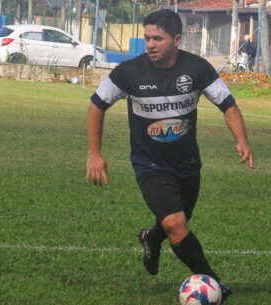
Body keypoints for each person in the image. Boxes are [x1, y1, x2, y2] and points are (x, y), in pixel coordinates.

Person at [85, 9, 254, 302]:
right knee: (176, 223)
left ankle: (151, 238)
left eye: (157, 39)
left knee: (176, 221)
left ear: (177, 39)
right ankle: (214, 283)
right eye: (147, 38)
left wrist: (241, 140)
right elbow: (96, 106)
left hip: (187, 163)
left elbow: (228, 104)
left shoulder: (198, 69)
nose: (150, 44)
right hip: (149, 164)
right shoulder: (128, 72)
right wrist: (95, 153)